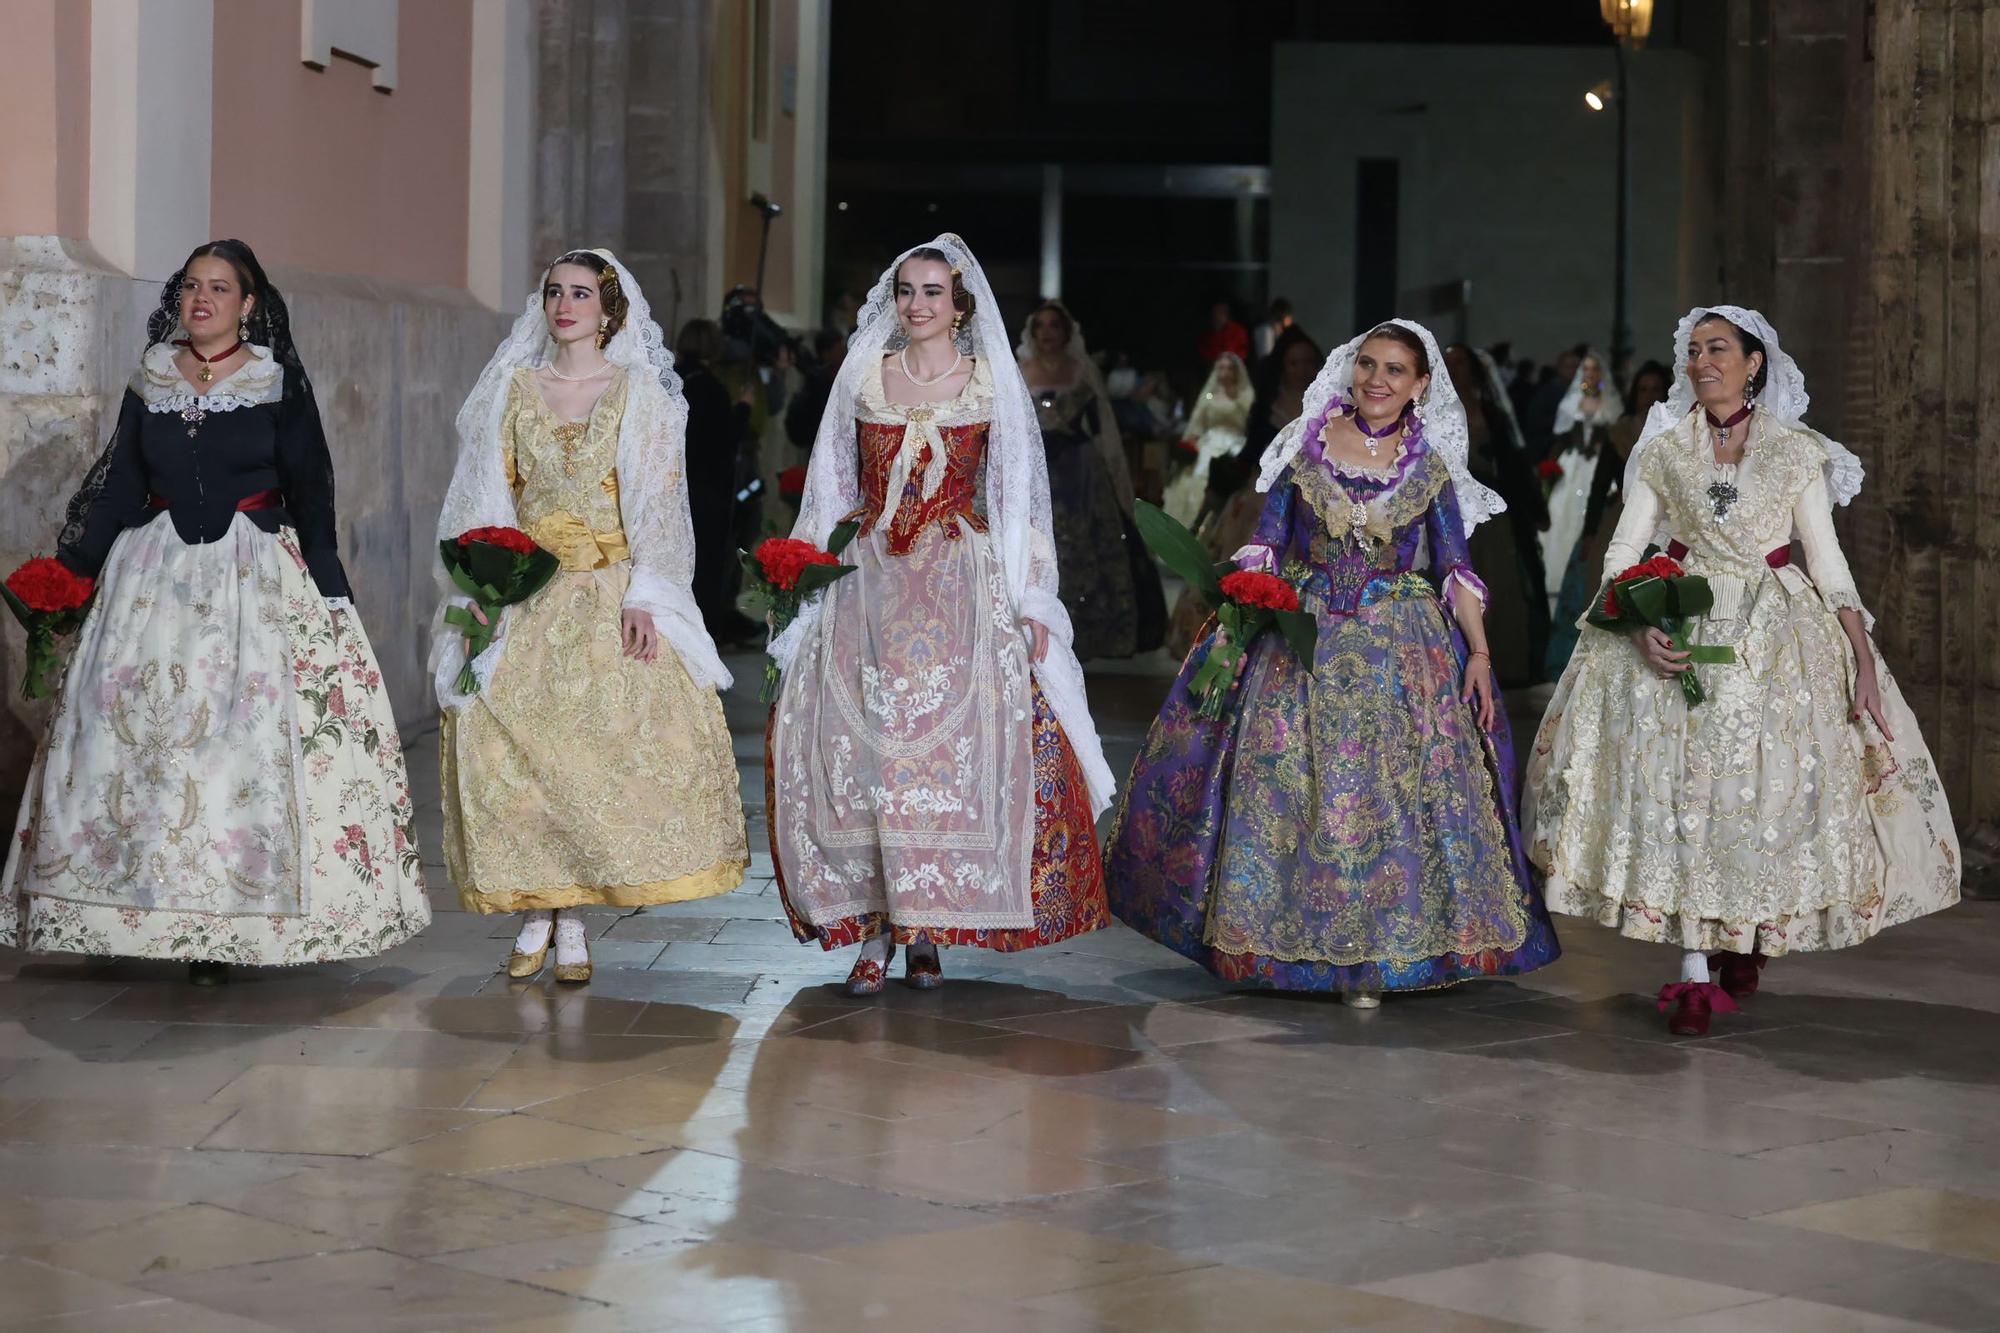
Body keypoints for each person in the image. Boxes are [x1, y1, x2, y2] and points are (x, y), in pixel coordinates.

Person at [2, 240, 430, 983]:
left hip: (254, 580)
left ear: (249, 305)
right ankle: (135, 905)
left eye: (221, 288)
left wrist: (331, 592)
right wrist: (69, 576)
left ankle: (223, 926)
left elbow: (311, 489)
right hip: (153, 581)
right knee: (137, 745)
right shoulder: (153, 378)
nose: (203, 299)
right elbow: (117, 487)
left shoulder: (274, 382)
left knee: (237, 749)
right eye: (193, 286)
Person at [1525, 306, 1959, 1036]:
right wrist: (1636, 625)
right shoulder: (1664, 451)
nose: (1702, 361)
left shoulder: (1797, 451)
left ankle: (1746, 929)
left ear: (1754, 362)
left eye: (1718, 348)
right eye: (1693, 350)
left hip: (1779, 636)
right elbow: (1624, 548)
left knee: (1764, 795)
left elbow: (1826, 559)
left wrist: (1860, 658)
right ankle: (1694, 967)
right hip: (1685, 621)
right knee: (1687, 792)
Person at [1107, 320, 1560, 1002]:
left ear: (1421, 385)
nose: (1378, 379)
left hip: (1401, 646)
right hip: (1306, 637)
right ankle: (1279, 943)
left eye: (1395, 370)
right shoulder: (1307, 450)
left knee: (1396, 797)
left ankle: (1382, 953)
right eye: (1369, 365)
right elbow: (1265, 545)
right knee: (1288, 782)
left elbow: (1455, 569)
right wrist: (1243, 611)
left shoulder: (1430, 467)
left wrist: (1480, 653)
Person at [767, 235, 1115, 995]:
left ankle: (924, 928)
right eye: (906, 290)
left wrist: (1032, 602)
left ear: (959, 305)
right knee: (868, 758)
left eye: (932, 292)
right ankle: (875, 931)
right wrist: (803, 581)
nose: (917, 304)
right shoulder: (865, 374)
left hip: (958, 583)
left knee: (932, 758)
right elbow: (829, 482)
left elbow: (1020, 501)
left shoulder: (989, 382)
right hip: (868, 580)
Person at [435, 248, 747, 985]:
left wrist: (648, 595)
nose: (565, 304)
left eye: (581, 293)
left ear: (609, 311)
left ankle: (569, 917)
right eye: (554, 292)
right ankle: (535, 905)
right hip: (527, 590)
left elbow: (660, 507)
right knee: (513, 747)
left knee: (592, 751)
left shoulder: (639, 394)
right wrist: (483, 582)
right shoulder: (512, 389)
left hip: (608, 588)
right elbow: (482, 495)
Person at [1164, 327, 1321, 659]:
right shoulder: (1269, 406)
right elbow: (1253, 451)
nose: (1302, 369)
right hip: (1264, 496)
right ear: (1283, 367)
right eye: (1295, 363)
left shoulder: (1330, 408)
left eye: (1309, 362)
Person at [1017, 299, 1163, 658]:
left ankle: (1087, 630)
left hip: (1078, 471)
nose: (1048, 332)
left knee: (1082, 542)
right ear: (1033, 332)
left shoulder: (1082, 371)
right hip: (1034, 469)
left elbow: (1103, 430)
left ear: (1066, 332)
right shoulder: (1019, 369)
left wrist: (1115, 477)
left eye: (1055, 325)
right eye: (1042, 326)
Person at [1543, 359, 1670, 676]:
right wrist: (1589, 533)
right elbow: (1601, 484)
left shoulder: (1675, 430)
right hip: (1622, 514)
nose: (1649, 395)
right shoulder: (1621, 431)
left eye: (1655, 389)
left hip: (1666, 520)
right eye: (1643, 389)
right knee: (1607, 580)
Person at [1445, 342, 1550, 686]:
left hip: (1489, 516)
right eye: (1451, 364)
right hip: (1448, 512)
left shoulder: (1490, 414)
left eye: (1462, 364)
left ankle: (1496, 663)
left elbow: (1513, 465)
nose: (1456, 370)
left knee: (1496, 583)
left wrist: (1531, 506)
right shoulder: (1434, 413)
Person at [675, 318, 762, 645]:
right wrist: (743, 408)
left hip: (675, 490)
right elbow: (723, 439)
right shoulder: (710, 388)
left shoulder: (673, 380)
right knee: (708, 570)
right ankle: (703, 637)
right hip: (706, 494)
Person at [1539, 350, 1624, 607]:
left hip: (1598, 465)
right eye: (1586, 370)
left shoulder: (1611, 403)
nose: (1590, 374)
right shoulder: (1570, 403)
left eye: (1594, 370)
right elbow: (1560, 437)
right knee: (1562, 517)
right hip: (1573, 464)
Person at [1161, 352, 1253, 528]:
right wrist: (1190, 442)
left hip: (1236, 442)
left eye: (1229, 368)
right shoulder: (1209, 395)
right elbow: (1198, 422)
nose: (1225, 372)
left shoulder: (1245, 394)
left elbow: (1249, 421)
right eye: (1221, 368)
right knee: (1196, 477)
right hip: (1210, 440)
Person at [1524, 344, 1585, 461]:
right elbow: (1535, 421)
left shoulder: (1581, 392)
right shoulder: (1547, 393)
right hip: (1550, 447)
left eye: (1576, 367)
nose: (1573, 371)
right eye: (1569, 367)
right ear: (1559, 368)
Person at [1198, 299, 1251, 365]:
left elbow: (1242, 354)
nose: (1217, 316)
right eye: (1214, 313)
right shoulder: (1206, 334)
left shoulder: (1238, 331)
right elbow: (1206, 356)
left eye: (1221, 312)